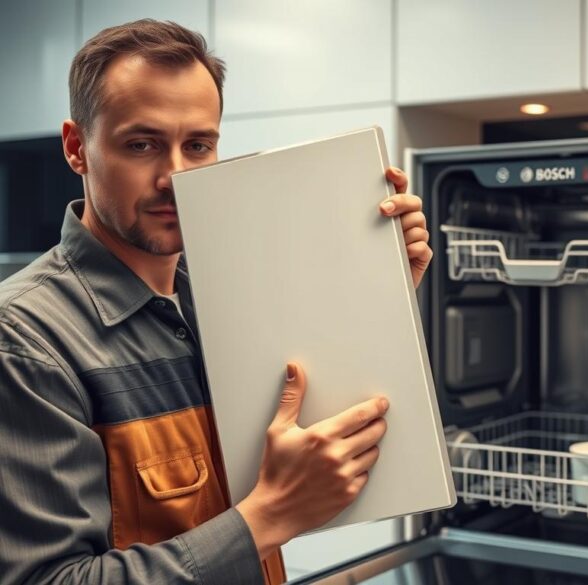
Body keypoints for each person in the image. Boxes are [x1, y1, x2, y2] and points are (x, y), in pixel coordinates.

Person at [0, 19, 433, 584]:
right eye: (142, 144)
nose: (175, 175)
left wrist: (377, 290)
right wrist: (268, 518)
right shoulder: (25, 339)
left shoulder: (224, 298)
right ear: (77, 148)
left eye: (198, 145)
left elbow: (304, 446)